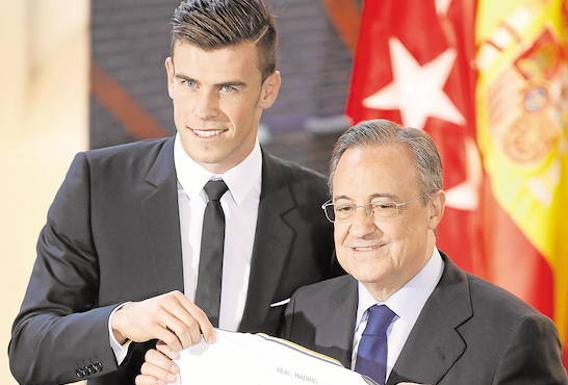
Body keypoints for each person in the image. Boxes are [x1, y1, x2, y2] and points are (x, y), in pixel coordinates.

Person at [8, 1, 338, 384]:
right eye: (189, 83)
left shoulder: (321, 208)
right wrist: (122, 323)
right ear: (169, 77)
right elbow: (29, 351)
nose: (203, 110)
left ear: (269, 89)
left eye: (227, 88)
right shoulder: (98, 185)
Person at [139, 119, 568, 385]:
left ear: (433, 208)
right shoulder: (304, 311)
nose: (360, 228)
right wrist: (181, 379)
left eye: (383, 205)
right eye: (345, 207)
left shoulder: (514, 334)